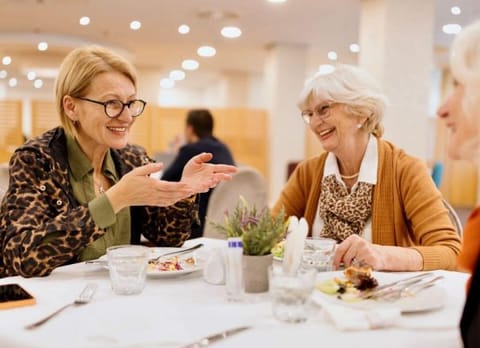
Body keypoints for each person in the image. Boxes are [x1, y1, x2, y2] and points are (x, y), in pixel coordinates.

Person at [0, 45, 237, 278]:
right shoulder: (37, 160)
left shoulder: (132, 158)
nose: (126, 117)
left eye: (130, 103)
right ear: (71, 107)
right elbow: (22, 255)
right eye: (111, 103)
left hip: (120, 294)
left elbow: (168, 239)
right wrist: (115, 200)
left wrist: (184, 192)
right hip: (56, 304)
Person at [272, 64, 461, 271]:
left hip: (379, 298)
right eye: (309, 114)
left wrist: (384, 256)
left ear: (361, 113)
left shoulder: (405, 169)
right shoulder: (308, 172)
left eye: (323, 109)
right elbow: (267, 233)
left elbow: (451, 252)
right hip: (315, 295)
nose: (315, 123)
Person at [436, 20, 480, 348]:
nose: (442, 109)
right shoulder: (313, 172)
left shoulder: (401, 167)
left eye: (458, 87)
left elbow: (445, 247)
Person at [162, 109, 235, 238]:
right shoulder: (224, 148)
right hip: (225, 220)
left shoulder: (191, 150)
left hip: (197, 224)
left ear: (190, 129)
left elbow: (165, 181)